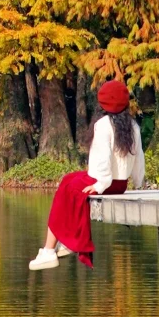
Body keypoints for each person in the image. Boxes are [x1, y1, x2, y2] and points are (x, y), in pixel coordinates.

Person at [29, 80, 144, 270]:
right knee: (68, 179)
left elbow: (103, 158)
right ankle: (65, 242)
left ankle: (49, 250)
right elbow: (139, 158)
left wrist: (100, 185)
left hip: (103, 182)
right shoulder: (134, 126)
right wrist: (139, 183)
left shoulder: (102, 125)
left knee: (66, 187)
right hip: (121, 184)